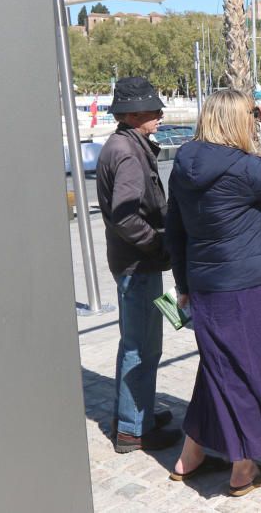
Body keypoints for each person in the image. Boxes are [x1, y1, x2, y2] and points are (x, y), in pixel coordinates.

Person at [165, 90, 261, 495]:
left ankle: (190, 455)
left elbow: (175, 231)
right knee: (252, 372)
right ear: (238, 122)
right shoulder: (244, 169)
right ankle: (243, 469)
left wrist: (183, 285)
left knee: (219, 367)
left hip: (205, 288)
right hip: (249, 288)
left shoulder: (182, 164)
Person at [96, 76, 182, 453]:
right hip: (138, 265)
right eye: (153, 109)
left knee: (136, 342)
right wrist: (158, 249)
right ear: (132, 115)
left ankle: (135, 413)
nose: (161, 114)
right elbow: (126, 216)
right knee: (142, 347)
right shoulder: (129, 153)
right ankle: (133, 429)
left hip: (131, 262)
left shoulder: (124, 143)